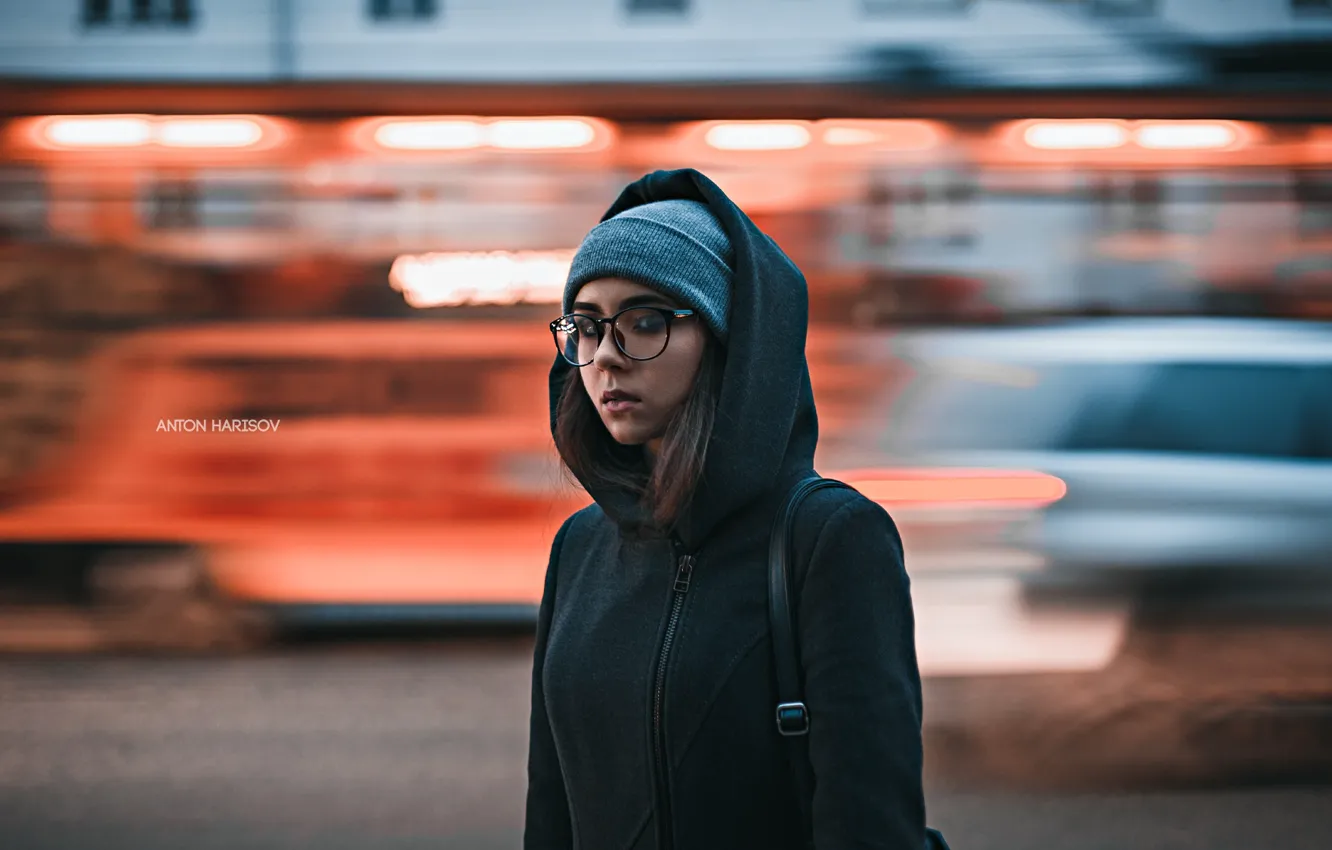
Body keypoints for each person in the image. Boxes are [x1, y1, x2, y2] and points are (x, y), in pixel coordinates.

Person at [526, 168, 927, 850]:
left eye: (645, 322)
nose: (606, 359)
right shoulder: (580, 547)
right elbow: (552, 811)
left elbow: (870, 821)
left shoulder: (830, 537)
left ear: (729, 341)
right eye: (587, 327)